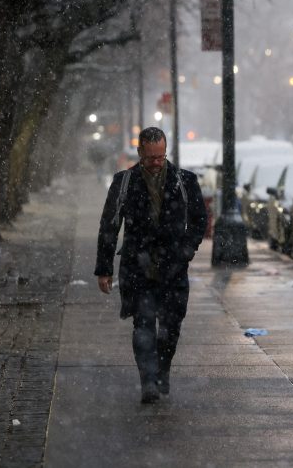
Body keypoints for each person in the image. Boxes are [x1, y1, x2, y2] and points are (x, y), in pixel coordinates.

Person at [95, 127, 208, 403]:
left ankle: (162, 370)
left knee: (171, 326)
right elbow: (110, 225)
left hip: (174, 267)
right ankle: (148, 380)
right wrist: (104, 268)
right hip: (137, 266)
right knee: (143, 325)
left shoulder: (184, 181)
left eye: (161, 157)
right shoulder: (125, 182)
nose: (156, 163)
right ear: (140, 153)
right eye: (151, 158)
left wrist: (186, 250)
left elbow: (199, 221)